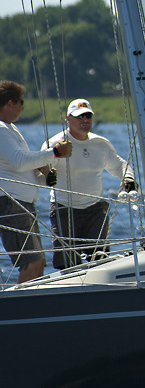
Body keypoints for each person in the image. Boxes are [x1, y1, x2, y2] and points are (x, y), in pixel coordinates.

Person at [42, 99, 134, 269]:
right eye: (79, 116)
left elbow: (120, 165)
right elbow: (41, 166)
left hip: (95, 209)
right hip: (64, 209)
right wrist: (48, 173)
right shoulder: (55, 143)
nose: (85, 120)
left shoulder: (101, 144)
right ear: (68, 119)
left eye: (88, 116)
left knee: (100, 261)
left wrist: (128, 179)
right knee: (68, 265)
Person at [0, 81, 72, 283]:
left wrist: (44, 179)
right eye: (20, 102)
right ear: (9, 103)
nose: (23, 107)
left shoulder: (10, 129)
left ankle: (30, 306)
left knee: (39, 263)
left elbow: (19, 167)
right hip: (12, 205)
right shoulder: (1, 130)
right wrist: (55, 152)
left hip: (22, 204)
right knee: (32, 263)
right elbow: (19, 162)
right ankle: (19, 310)